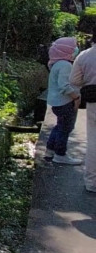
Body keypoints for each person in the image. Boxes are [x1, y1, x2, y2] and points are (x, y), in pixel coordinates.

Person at [44, 37, 83, 165]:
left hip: (57, 102)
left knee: (60, 125)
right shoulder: (65, 65)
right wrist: (76, 97)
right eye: (73, 47)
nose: (76, 49)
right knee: (66, 127)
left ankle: (50, 150)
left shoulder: (56, 64)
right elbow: (64, 86)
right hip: (64, 102)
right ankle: (60, 154)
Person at [70, 35, 96, 192]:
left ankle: (92, 181)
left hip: (94, 102)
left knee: (93, 141)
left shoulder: (84, 55)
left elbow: (74, 80)